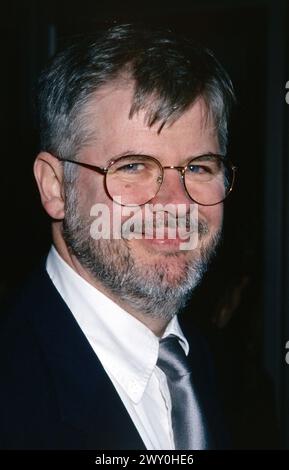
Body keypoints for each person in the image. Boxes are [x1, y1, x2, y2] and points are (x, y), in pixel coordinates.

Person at [0, 23, 236, 450]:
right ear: (55, 187)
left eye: (199, 167)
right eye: (132, 166)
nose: (175, 203)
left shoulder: (234, 376)